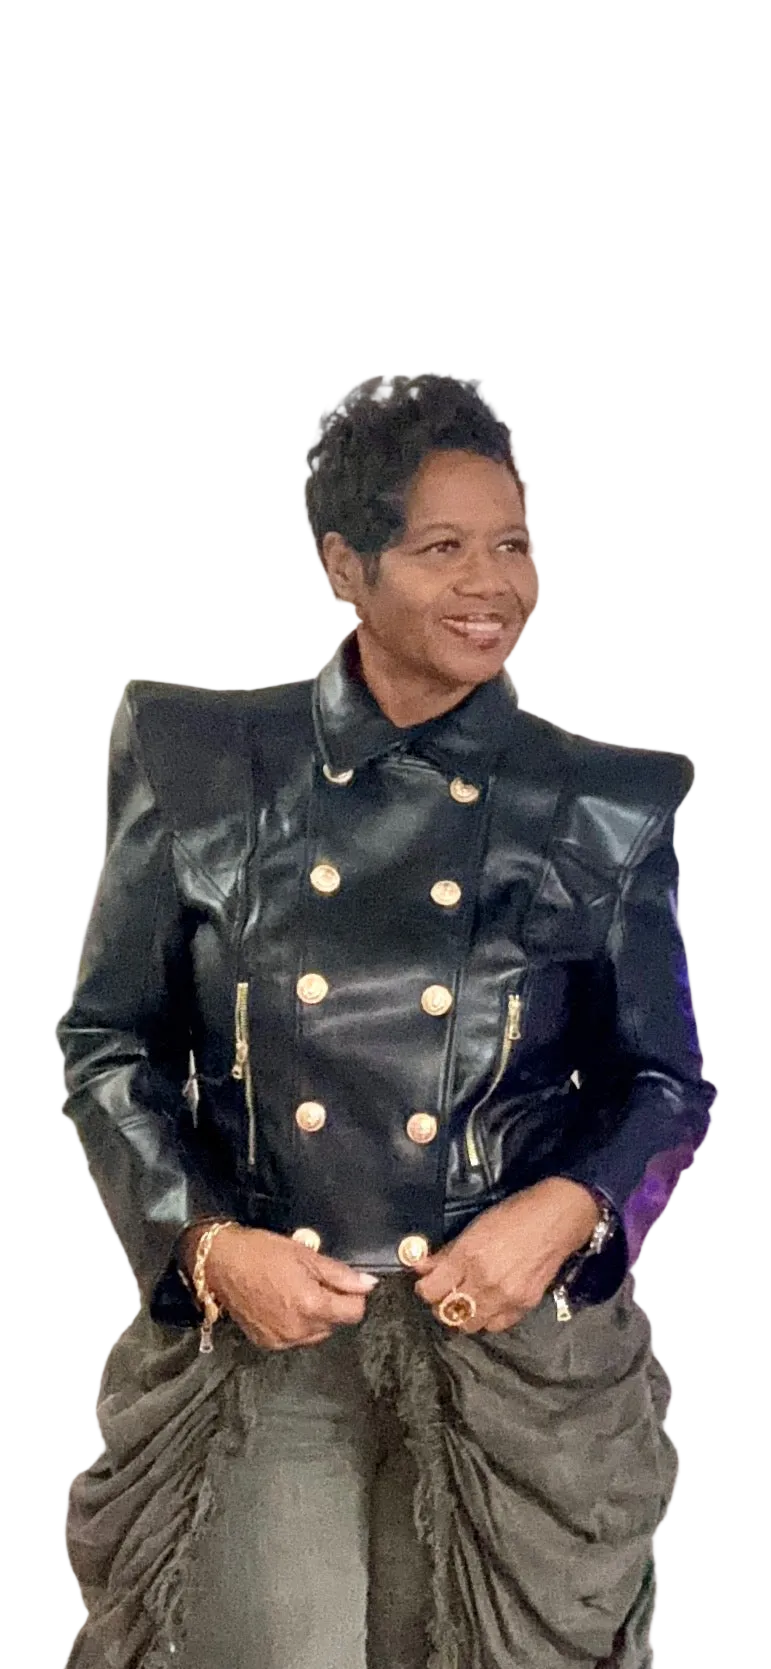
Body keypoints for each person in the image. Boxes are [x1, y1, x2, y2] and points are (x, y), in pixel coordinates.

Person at [57, 373, 716, 1669]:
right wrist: (204, 1244)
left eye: (512, 544)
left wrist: (566, 1210)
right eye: (442, 548)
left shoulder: (599, 801)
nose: (491, 584)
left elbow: (660, 1082)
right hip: (269, 1326)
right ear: (343, 566)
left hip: (510, 1347)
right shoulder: (202, 762)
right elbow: (112, 1043)